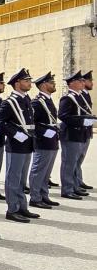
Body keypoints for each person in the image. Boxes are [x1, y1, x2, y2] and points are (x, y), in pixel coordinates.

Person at [0, 68, 38, 223]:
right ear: (17, 83)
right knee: (13, 177)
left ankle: (22, 207)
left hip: (27, 144)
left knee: (21, 179)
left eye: (29, 80)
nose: (29, 83)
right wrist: (14, 133)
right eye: (26, 81)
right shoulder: (9, 102)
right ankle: (12, 209)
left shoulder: (26, 99)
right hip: (16, 145)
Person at [58, 71, 93, 199]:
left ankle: (75, 186)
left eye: (83, 81)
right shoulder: (67, 98)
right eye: (80, 81)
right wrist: (82, 121)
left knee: (76, 162)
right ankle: (67, 189)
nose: (83, 83)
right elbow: (63, 116)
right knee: (69, 162)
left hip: (81, 133)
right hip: (71, 134)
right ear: (72, 83)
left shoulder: (80, 96)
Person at [29, 72, 60, 209]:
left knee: (46, 171)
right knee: (38, 170)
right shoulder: (37, 102)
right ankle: (35, 198)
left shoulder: (47, 100)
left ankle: (43, 195)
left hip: (52, 141)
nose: (54, 84)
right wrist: (44, 132)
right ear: (43, 85)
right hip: (42, 141)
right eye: (51, 82)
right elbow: (32, 123)